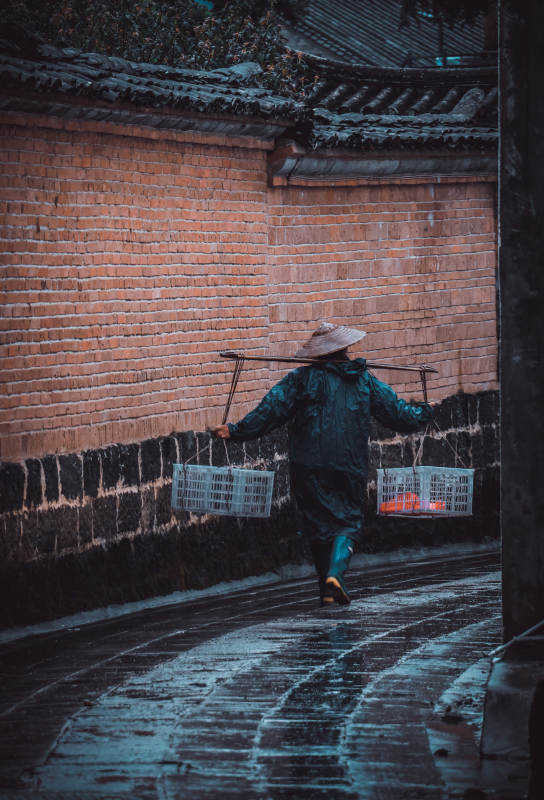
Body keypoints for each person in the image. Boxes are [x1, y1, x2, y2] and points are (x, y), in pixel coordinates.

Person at [211, 322, 432, 607]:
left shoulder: (301, 380)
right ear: (345, 350)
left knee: (317, 524)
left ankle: (326, 590)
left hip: (307, 466)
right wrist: (425, 412)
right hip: (348, 464)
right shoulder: (364, 380)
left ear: (317, 354)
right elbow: (398, 415)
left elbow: (271, 410)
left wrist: (236, 430)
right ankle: (335, 576)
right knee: (347, 523)